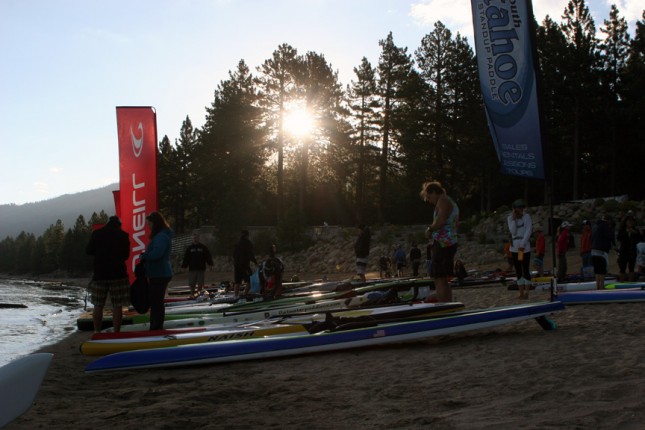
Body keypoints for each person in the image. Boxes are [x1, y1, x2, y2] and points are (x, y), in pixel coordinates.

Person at [85, 216, 130, 333]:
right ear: (119, 225)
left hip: (100, 274)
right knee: (117, 305)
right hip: (118, 275)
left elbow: (88, 250)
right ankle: (116, 332)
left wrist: (100, 252)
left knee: (98, 305)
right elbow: (126, 255)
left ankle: (97, 331)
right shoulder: (123, 235)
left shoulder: (97, 233)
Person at [420, 180, 459, 302]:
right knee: (442, 278)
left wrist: (429, 229)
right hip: (447, 242)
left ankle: (443, 305)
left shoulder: (443, 200)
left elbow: (441, 221)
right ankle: (447, 304)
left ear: (434, 192)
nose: (428, 200)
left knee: (439, 278)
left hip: (443, 243)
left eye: (428, 196)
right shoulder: (447, 200)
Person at [140, 211, 173, 331]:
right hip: (158, 273)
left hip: (160, 273)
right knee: (156, 301)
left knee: (156, 302)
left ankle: (156, 327)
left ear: (155, 224)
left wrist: (144, 256)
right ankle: (156, 325)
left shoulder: (161, 237)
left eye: (149, 224)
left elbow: (157, 254)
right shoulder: (161, 235)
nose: (148, 227)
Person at [507, 199, 533, 299]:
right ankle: (521, 292)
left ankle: (527, 292)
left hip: (524, 246)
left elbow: (528, 230)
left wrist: (523, 243)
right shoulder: (510, 218)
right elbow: (513, 232)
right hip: (515, 247)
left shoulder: (526, 217)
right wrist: (513, 220)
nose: (521, 209)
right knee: (518, 270)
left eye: (522, 207)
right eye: (519, 207)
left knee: (525, 268)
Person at [616, 213, 642, 282]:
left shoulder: (635, 230)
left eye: (632, 221)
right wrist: (626, 232)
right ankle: (621, 282)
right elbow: (619, 238)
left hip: (632, 251)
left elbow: (640, 239)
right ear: (626, 222)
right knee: (622, 268)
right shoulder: (622, 230)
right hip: (624, 251)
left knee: (631, 268)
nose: (630, 223)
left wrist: (635, 233)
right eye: (629, 221)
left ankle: (631, 282)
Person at [591, 215, 615, 289]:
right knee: (602, 270)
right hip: (601, 251)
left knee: (597, 270)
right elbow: (610, 236)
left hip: (593, 250)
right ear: (608, 221)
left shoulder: (595, 226)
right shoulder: (605, 226)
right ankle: (602, 287)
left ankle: (597, 286)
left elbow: (591, 238)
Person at [233, 230, 258, 297]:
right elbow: (250, 254)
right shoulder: (248, 243)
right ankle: (245, 294)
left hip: (236, 265)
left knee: (237, 282)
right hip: (244, 265)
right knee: (250, 280)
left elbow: (234, 254)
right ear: (247, 235)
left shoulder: (237, 243)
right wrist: (255, 262)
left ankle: (235, 296)